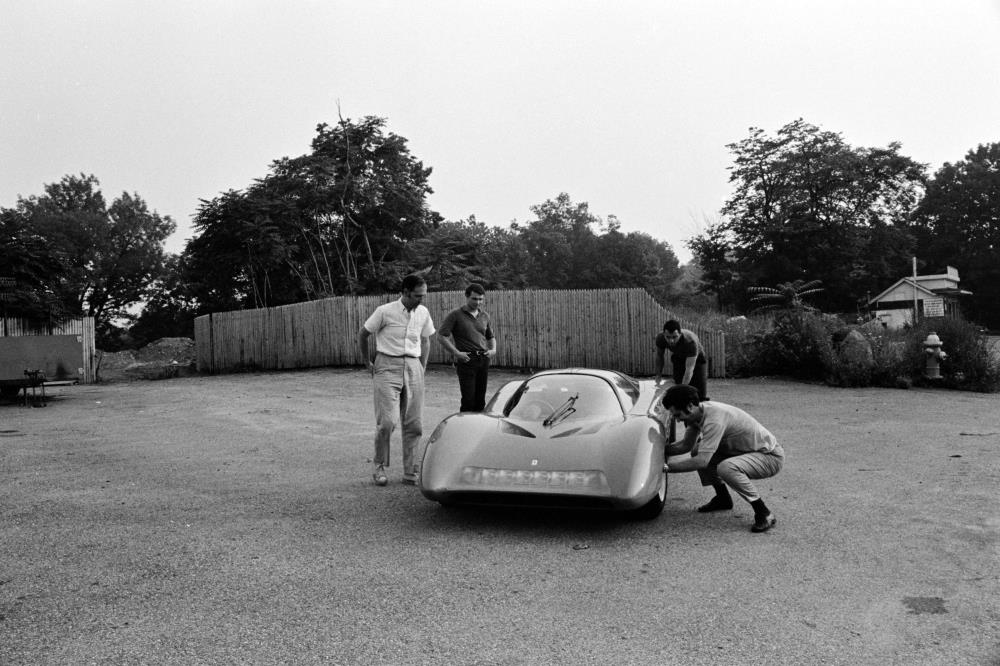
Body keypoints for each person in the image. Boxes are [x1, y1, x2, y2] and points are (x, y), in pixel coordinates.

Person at [661, 384, 784, 533]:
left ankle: (764, 512)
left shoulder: (714, 419)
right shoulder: (697, 413)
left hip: (769, 456)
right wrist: (656, 451)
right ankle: (723, 499)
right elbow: (685, 446)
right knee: (696, 450)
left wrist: (664, 468)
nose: (678, 420)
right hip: (744, 451)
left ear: (690, 406)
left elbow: (702, 461)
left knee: (726, 468)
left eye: (678, 415)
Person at [357, 274, 435, 486]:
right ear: (405, 292)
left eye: (424, 295)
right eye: (418, 295)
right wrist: (367, 362)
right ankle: (379, 467)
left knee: (415, 424)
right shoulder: (385, 311)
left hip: (413, 366)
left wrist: (422, 366)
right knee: (387, 422)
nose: (422, 299)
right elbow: (363, 334)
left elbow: (426, 340)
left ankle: (411, 471)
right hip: (386, 365)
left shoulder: (423, 312)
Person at [437, 283, 497, 412]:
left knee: (480, 400)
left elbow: (490, 337)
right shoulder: (455, 315)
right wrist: (456, 353)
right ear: (466, 297)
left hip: (483, 359)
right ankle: (464, 428)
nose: (478, 302)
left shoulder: (485, 316)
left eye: (480, 299)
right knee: (468, 400)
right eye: (474, 299)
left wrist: (493, 350)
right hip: (466, 360)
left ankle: (478, 429)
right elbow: (441, 336)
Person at [654, 319, 709, 401]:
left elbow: (689, 370)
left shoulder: (690, 341)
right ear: (664, 334)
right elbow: (659, 357)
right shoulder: (660, 338)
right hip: (678, 357)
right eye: (668, 337)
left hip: (697, 360)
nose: (671, 341)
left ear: (680, 334)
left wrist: (682, 391)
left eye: (674, 337)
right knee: (677, 384)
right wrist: (658, 375)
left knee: (699, 393)